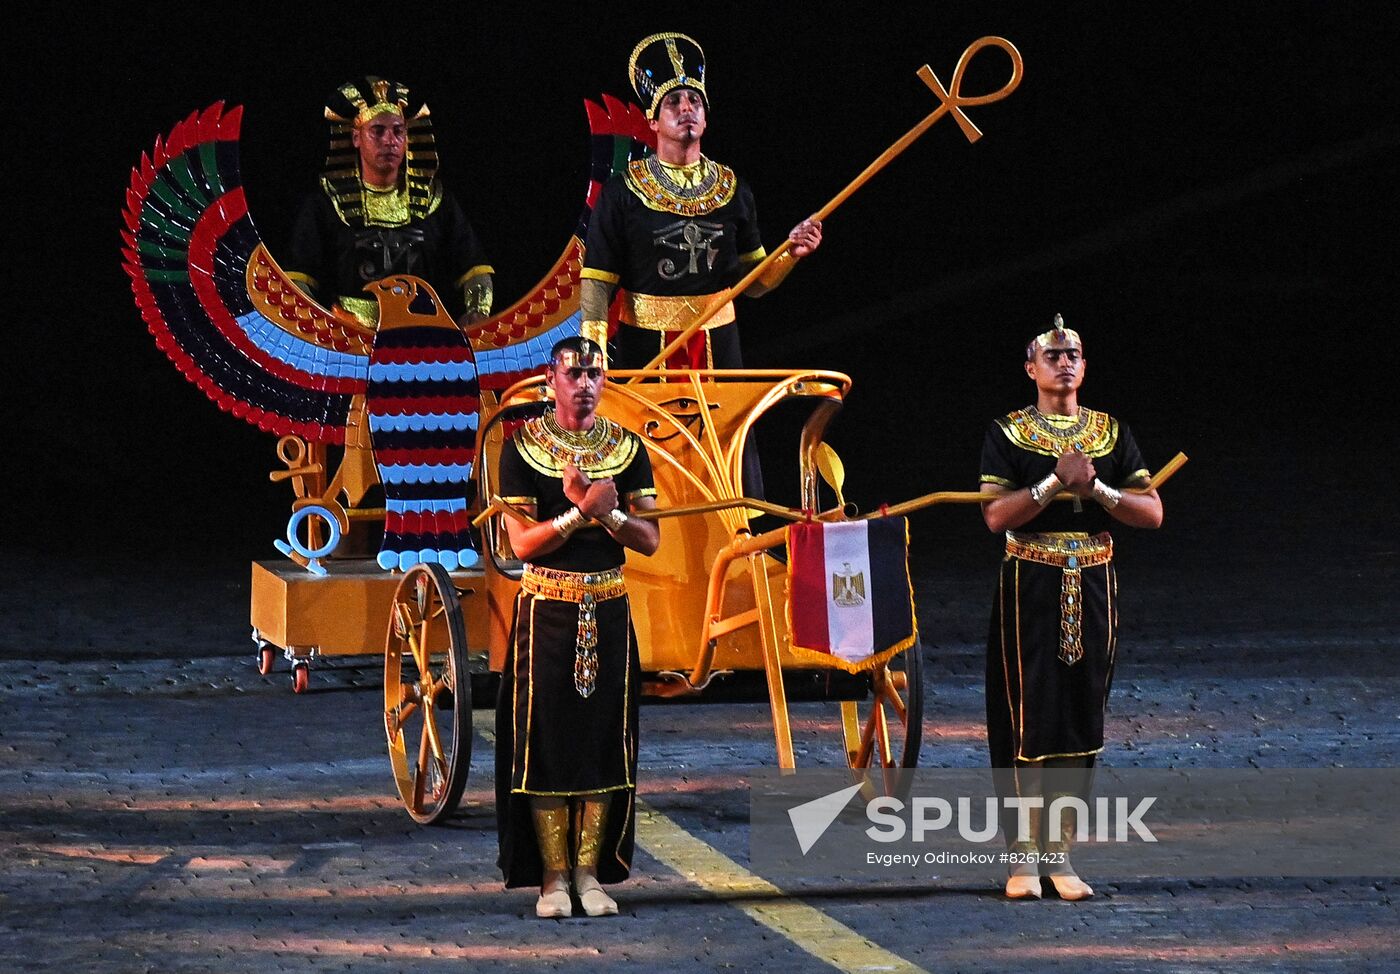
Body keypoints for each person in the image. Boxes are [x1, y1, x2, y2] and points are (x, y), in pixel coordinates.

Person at [978, 314, 1163, 901]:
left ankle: (1059, 856)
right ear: (1031, 368)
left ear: (1084, 367)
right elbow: (996, 516)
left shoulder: (1111, 432)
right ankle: (1021, 859)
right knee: (1028, 718)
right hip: (1030, 585)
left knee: (1082, 718)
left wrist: (1097, 489)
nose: (1065, 363)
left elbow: (1151, 511)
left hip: (1095, 583)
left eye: (1073, 355)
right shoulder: (1008, 433)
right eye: (1053, 356)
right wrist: (1052, 483)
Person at [493, 336, 660, 918]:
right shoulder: (521, 449)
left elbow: (650, 539)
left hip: (609, 607)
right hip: (548, 610)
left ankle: (589, 873)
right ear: (552, 379)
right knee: (547, 742)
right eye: (574, 374)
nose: (586, 384)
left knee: (602, 741)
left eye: (595, 374)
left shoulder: (628, 449)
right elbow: (521, 544)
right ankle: (552, 878)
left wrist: (605, 513)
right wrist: (577, 512)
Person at [580, 32, 823, 371]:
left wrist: (790, 253)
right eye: (673, 101)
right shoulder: (622, 192)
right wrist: (591, 354)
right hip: (645, 349)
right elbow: (598, 281)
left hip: (720, 348)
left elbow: (753, 284)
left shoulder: (733, 190)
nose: (686, 108)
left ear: (705, 118)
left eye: (694, 100)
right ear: (653, 121)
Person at [285, 76, 494, 331]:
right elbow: (299, 278)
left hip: (425, 335)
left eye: (398, 131)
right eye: (377, 131)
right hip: (348, 337)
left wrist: (477, 310)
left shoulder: (436, 201)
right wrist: (315, 320)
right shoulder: (326, 203)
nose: (389, 140)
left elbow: (475, 268)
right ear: (356, 138)